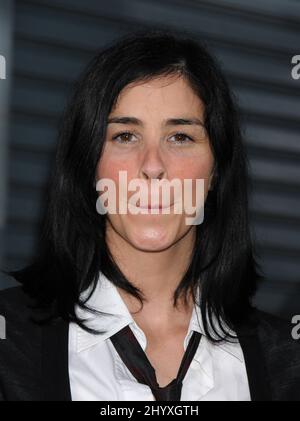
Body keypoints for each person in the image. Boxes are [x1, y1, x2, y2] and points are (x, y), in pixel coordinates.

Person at [0, 28, 299, 401]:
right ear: (88, 164)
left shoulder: (287, 364)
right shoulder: (8, 342)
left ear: (216, 169)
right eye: (125, 135)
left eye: (180, 137)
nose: (153, 166)